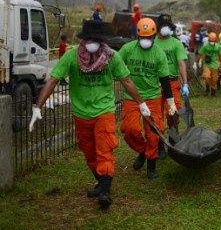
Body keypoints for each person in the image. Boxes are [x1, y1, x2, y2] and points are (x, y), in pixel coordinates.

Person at [28, 20, 146, 209]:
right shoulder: (71, 56)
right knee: (89, 151)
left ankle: (105, 192)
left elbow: (127, 81)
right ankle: (101, 183)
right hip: (81, 113)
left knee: (104, 149)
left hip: (104, 111)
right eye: (89, 39)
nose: (92, 43)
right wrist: (37, 107)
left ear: (102, 41)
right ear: (83, 40)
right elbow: (53, 80)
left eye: (96, 40)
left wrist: (141, 102)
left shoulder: (112, 57)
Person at [119, 18, 177, 179]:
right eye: (143, 37)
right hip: (131, 97)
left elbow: (164, 79)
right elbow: (115, 64)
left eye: (149, 37)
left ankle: (151, 164)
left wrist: (171, 102)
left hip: (153, 97)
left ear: (154, 35)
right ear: (138, 36)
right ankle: (143, 151)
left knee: (154, 133)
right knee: (130, 129)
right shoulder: (127, 49)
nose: (146, 40)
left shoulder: (159, 54)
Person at [155, 14, 189, 159]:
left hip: (172, 82)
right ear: (158, 27)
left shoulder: (176, 43)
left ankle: (173, 138)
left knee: (173, 112)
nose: (165, 28)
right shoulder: (152, 43)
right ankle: (159, 144)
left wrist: (185, 83)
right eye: (163, 25)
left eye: (167, 26)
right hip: (155, 84)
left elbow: (181, 63)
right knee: (156, 114)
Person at [195, 32, 221, 97]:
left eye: (213, 40)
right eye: (211, 39)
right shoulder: (205, 46)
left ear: (215, 39)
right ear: (208, 39)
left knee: (214, 79)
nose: (212, 41)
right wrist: (196, 62)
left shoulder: (218, 46)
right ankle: (208, 88)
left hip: (215, 65)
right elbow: (200, 54)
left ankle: (213, 92)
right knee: (206, 76)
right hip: (207, 64)